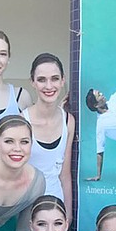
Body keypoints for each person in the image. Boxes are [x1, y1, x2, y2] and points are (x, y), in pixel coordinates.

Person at [23, 53, 75, 221]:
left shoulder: (68, 120)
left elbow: (64, 174)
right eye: (42, 79)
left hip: (57, 210)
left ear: (62, 81)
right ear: (32, 82)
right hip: (28, 213)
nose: (49, 85)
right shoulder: (22, 122)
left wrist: (68, 215)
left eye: (54, 78)